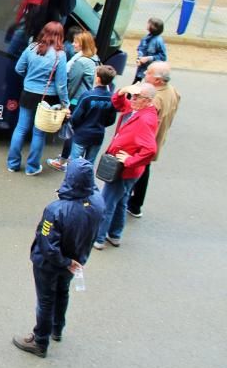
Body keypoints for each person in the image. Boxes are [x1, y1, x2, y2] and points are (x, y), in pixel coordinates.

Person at [12, 158, 105, 358]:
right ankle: (57, 328)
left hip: (50, 264)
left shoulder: (56, 210)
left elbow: (47, 244)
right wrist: (71, 262)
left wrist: (63, 261)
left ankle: (40, 341)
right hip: (76, 259)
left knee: (45, 300)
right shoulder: (97, 202)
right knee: (62, 292)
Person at [93, 82, 158, 250]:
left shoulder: (145, 119)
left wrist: (129, 160)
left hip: (125, 170)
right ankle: (114, 234)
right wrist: (123, 91)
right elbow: (118, 103)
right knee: (121, 201)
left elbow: (150, 149)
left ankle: (99, 237)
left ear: (148, 100)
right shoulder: (138, 110)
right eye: (133, 95)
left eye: (138, 97)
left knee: (107, 202)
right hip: (127, 170)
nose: (133, 99)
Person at [7, 21, 69, 176]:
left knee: (21, 128)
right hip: (48, 98)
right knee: (38, 132)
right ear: (59, 36)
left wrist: (29, 79)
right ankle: (32, 167)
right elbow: (61, 84)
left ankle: (13, 164)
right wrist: (65, 103)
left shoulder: (32, 48)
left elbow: (18, 68)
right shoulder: (59, 55)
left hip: (28, 93)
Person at [127, 61, 181, 218]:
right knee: (144, 170)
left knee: (138, 171)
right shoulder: (172, 91)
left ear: (158, 80)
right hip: (157, 138)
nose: (145, 74)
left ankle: (134, 203)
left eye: (148, 72)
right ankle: (136, 203)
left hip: (144, 142)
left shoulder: (154, 99)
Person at [47, 31, 101, 171]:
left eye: (76, 42)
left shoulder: (81, 62)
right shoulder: (94, 59)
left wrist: (66, 103)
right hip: (86, 99)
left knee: (70, 131)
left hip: (77, 100)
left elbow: (72, 83)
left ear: (82, 44)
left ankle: (63, 161)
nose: (73, 44)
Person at [133, 17, 167, 82]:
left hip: (152, 70)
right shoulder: (145, 38)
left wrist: (148, 58)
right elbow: (141, 49)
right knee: (136, 82)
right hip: (142, 67)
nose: (147, 24)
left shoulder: (158, 41)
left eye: (149, 23)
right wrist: (139, 59)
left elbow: (163, 57)